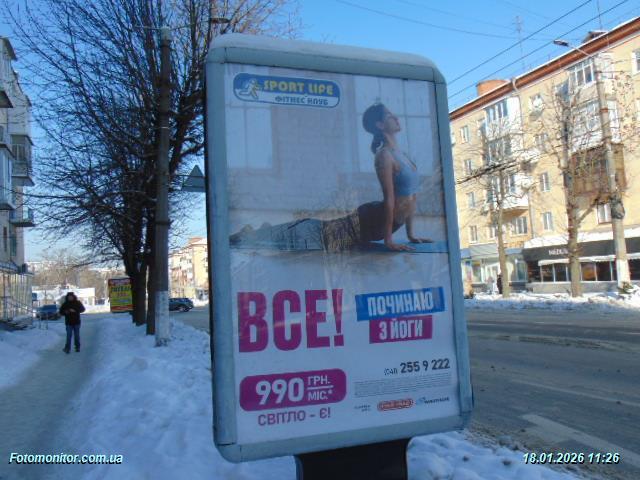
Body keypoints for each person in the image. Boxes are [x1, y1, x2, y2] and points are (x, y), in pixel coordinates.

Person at [229, 102, 432, 252]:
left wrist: (410, 235)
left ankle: (264, 231)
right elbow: (390, 199)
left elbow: (411, 198)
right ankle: (252, 235)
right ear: (379, 124)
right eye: (389, 115)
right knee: (315, 235)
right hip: (370, 221)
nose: (396, 117)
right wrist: (388, 240)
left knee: (317, 234)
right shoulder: (384, 156)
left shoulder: (404, 156)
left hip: (383, 223)